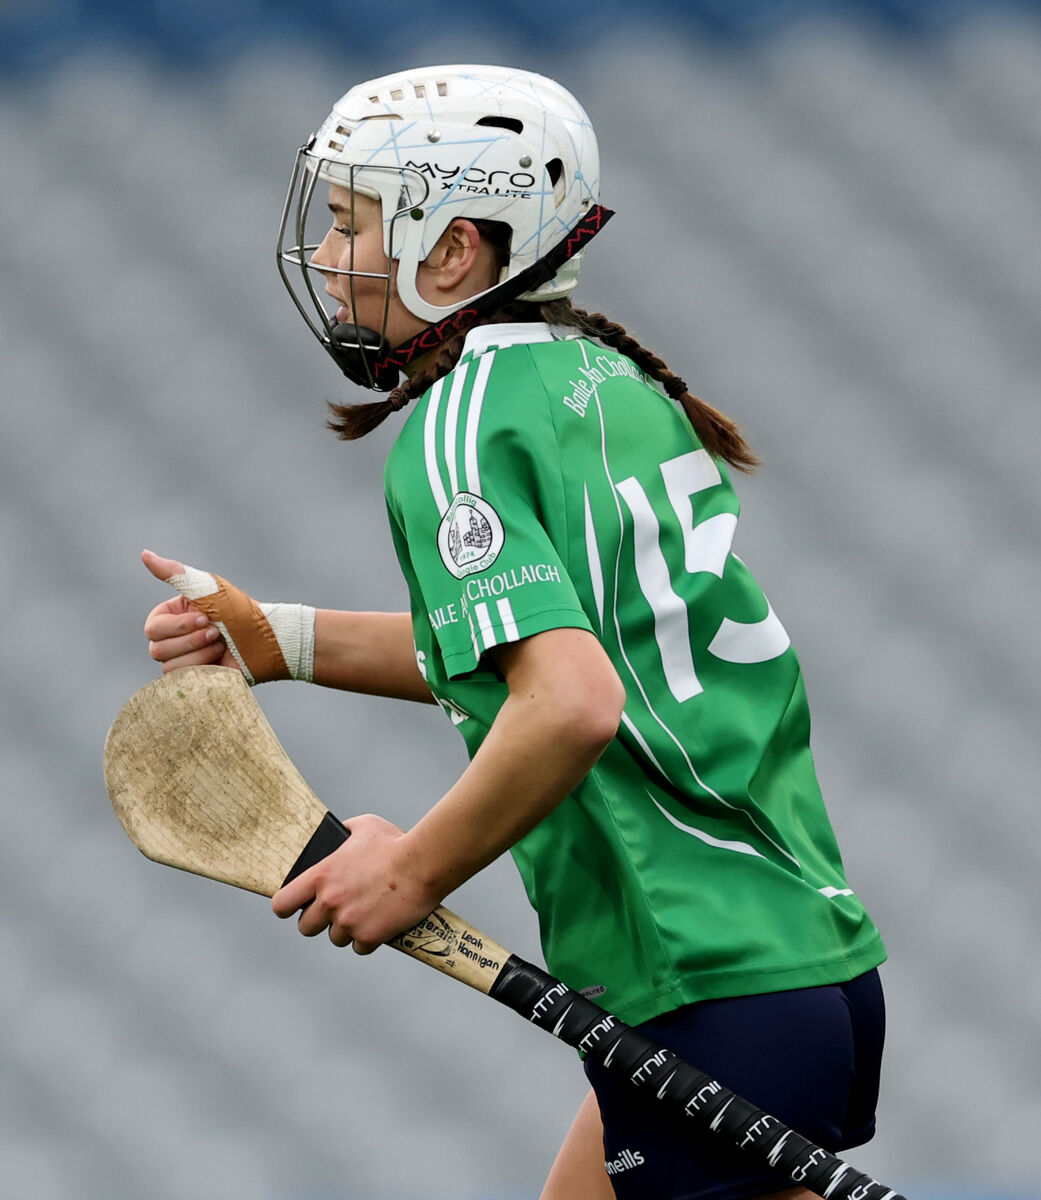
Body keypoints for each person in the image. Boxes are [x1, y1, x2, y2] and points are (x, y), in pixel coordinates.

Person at [141, 64, 887, 1200]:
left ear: (452, 250)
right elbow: (542, 652)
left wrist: (413, 869)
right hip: (787, 964)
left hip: (698, 973)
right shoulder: (605, 379)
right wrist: (282, 640)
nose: (330, 255)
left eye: (351, 222)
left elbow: (572, 702)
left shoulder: (457, 427)